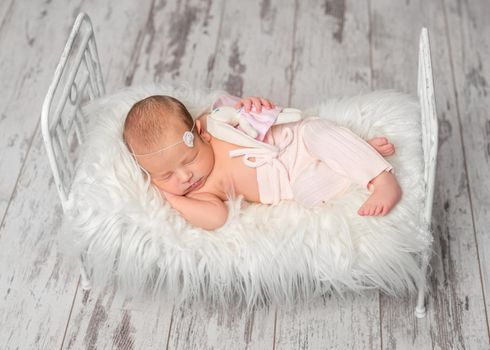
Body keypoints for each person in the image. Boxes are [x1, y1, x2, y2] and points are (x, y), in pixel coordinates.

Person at [123, 95, 402, 230]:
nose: (184, 177)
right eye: (166, 176)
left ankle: (381, 179)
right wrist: (170, 198)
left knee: (320, 134)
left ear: (200, 133)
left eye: (189, 159)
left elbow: (242, 109)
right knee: (310, 194)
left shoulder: (215, 121)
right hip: (294, 182)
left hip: (296, 139)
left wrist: (252, 103)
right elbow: (216, 218)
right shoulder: (199, 191)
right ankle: (354, 153)